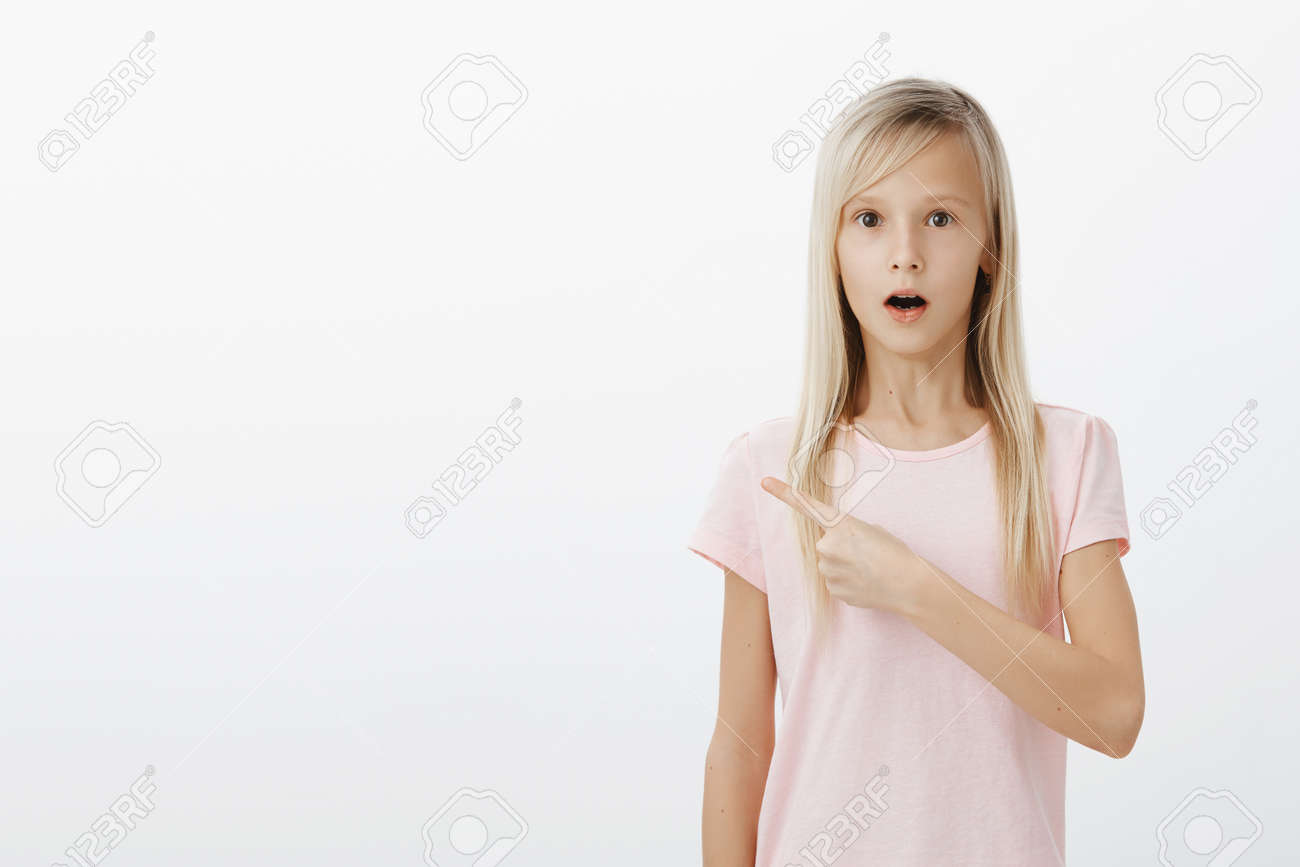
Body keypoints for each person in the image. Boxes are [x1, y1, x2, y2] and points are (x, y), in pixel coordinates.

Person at [686, 77, 1144, 866]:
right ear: (833, 252)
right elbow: (738, 748)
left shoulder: (1066, 456)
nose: (906, 252)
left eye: (940, 216)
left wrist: (916, 588)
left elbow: (1115, 713)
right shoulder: (769, 469)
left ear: (989, 248)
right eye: (869, 219)